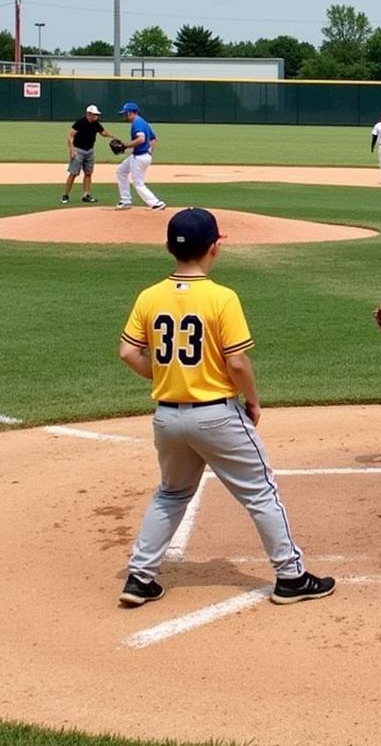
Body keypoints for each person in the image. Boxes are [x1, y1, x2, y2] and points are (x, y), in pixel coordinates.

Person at [117, 207, 335, 607]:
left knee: (170, 494)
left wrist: (166, 376)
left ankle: (139, 577)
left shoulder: (149, 296)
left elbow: (128, 352)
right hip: (216, 415)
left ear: (169, 248)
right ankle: (291, 577)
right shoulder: (222, 297)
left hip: (167, 417)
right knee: (261, 493)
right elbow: (236, 362)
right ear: (214, 248)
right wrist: (252, 400)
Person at [115, 101, 166, 211]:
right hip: (141, 155)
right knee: (121, 171)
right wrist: (149, 151)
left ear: (130, 113)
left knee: (138, 183)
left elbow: (141, 139)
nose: (124, 116)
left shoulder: (137, 123)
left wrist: (125, 146)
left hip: (139, 157)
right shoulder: (143, 122)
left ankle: (156, 203)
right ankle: (125, 201)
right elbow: (153, 139)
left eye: (125, 113)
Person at [62, 103, 113, 204]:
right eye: (94, 114)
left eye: (96, 114)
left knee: (88, 173)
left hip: (89, 151)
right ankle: (65, 195)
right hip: (78, 150)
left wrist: (112, 136)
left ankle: (86, 195)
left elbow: (103, 133)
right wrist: (72, 150)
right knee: (73, 173)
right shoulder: (80, 122)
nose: (96, 116)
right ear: (88, 114)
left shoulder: (96, 123)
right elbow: (70, 136)